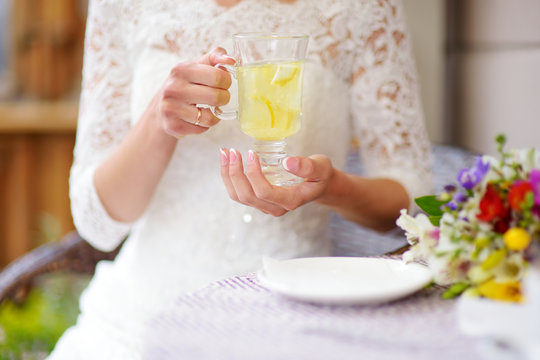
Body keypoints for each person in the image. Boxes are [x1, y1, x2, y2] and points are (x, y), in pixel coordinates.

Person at [48, 0, 432, 358]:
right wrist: (157, 123)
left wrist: (331, 188)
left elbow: (411, 202)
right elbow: (97, 222)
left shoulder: (363, 8)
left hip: (295, 321)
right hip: (136, 324)